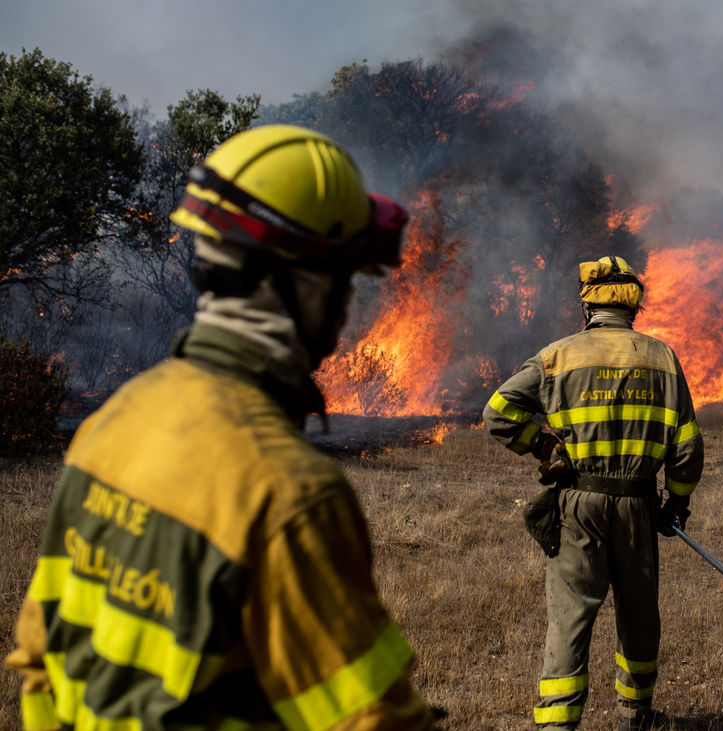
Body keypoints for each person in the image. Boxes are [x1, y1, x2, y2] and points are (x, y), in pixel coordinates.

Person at [5, 125, 445, 729]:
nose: (347, 308)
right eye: (344, 279)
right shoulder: (288, 492)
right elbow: (370, 719)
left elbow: (39, 656)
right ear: (302, 284)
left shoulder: (114, 423)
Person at [483, 255, 704, 730]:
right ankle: (635, 716)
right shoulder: (663, 358)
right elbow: (686, 446)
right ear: (633, 310)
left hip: (577, 506)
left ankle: (558, 725)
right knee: (639, 616)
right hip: (640, 507)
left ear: (587, 309)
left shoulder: (558, 355)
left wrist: (542, 444)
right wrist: (677, 503)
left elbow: (498, 411)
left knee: (570, 617)